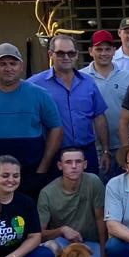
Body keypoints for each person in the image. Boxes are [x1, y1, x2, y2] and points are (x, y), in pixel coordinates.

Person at [0, 43, 62, 197]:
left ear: (21, 66)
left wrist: (43, 167)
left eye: (13, 63)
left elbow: (56, 129)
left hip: (31, 174)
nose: (8, 68)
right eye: (2, 64)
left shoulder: (41, 95)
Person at [27, 34, 110, 176]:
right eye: (60, 53)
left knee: (90, 194)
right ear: (50, 54)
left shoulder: (88, 82)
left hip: (86, 153)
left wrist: (105, 151)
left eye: (71, 53)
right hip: (54, 154)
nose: (66, 57)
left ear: (77, 55)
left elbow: (99, 117)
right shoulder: (34, 85)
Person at [37, 146, 107, 257]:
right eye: (68, 162)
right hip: (64, 244)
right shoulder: (47, 193)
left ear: (85, 164)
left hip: (90, 244)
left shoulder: (94, 182)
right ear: (60, 165)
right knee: (50, 249)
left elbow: (101, 220)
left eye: (78, 162)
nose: (74, 166)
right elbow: (38, 233)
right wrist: (62, 230)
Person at [81, 30, 129, 179]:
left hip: (123, 145)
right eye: (99, 49)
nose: (103, 53)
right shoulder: (81, 78)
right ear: (91, 51)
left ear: (113, 51)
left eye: (107, 49)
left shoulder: (128, 77)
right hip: (94, 147)